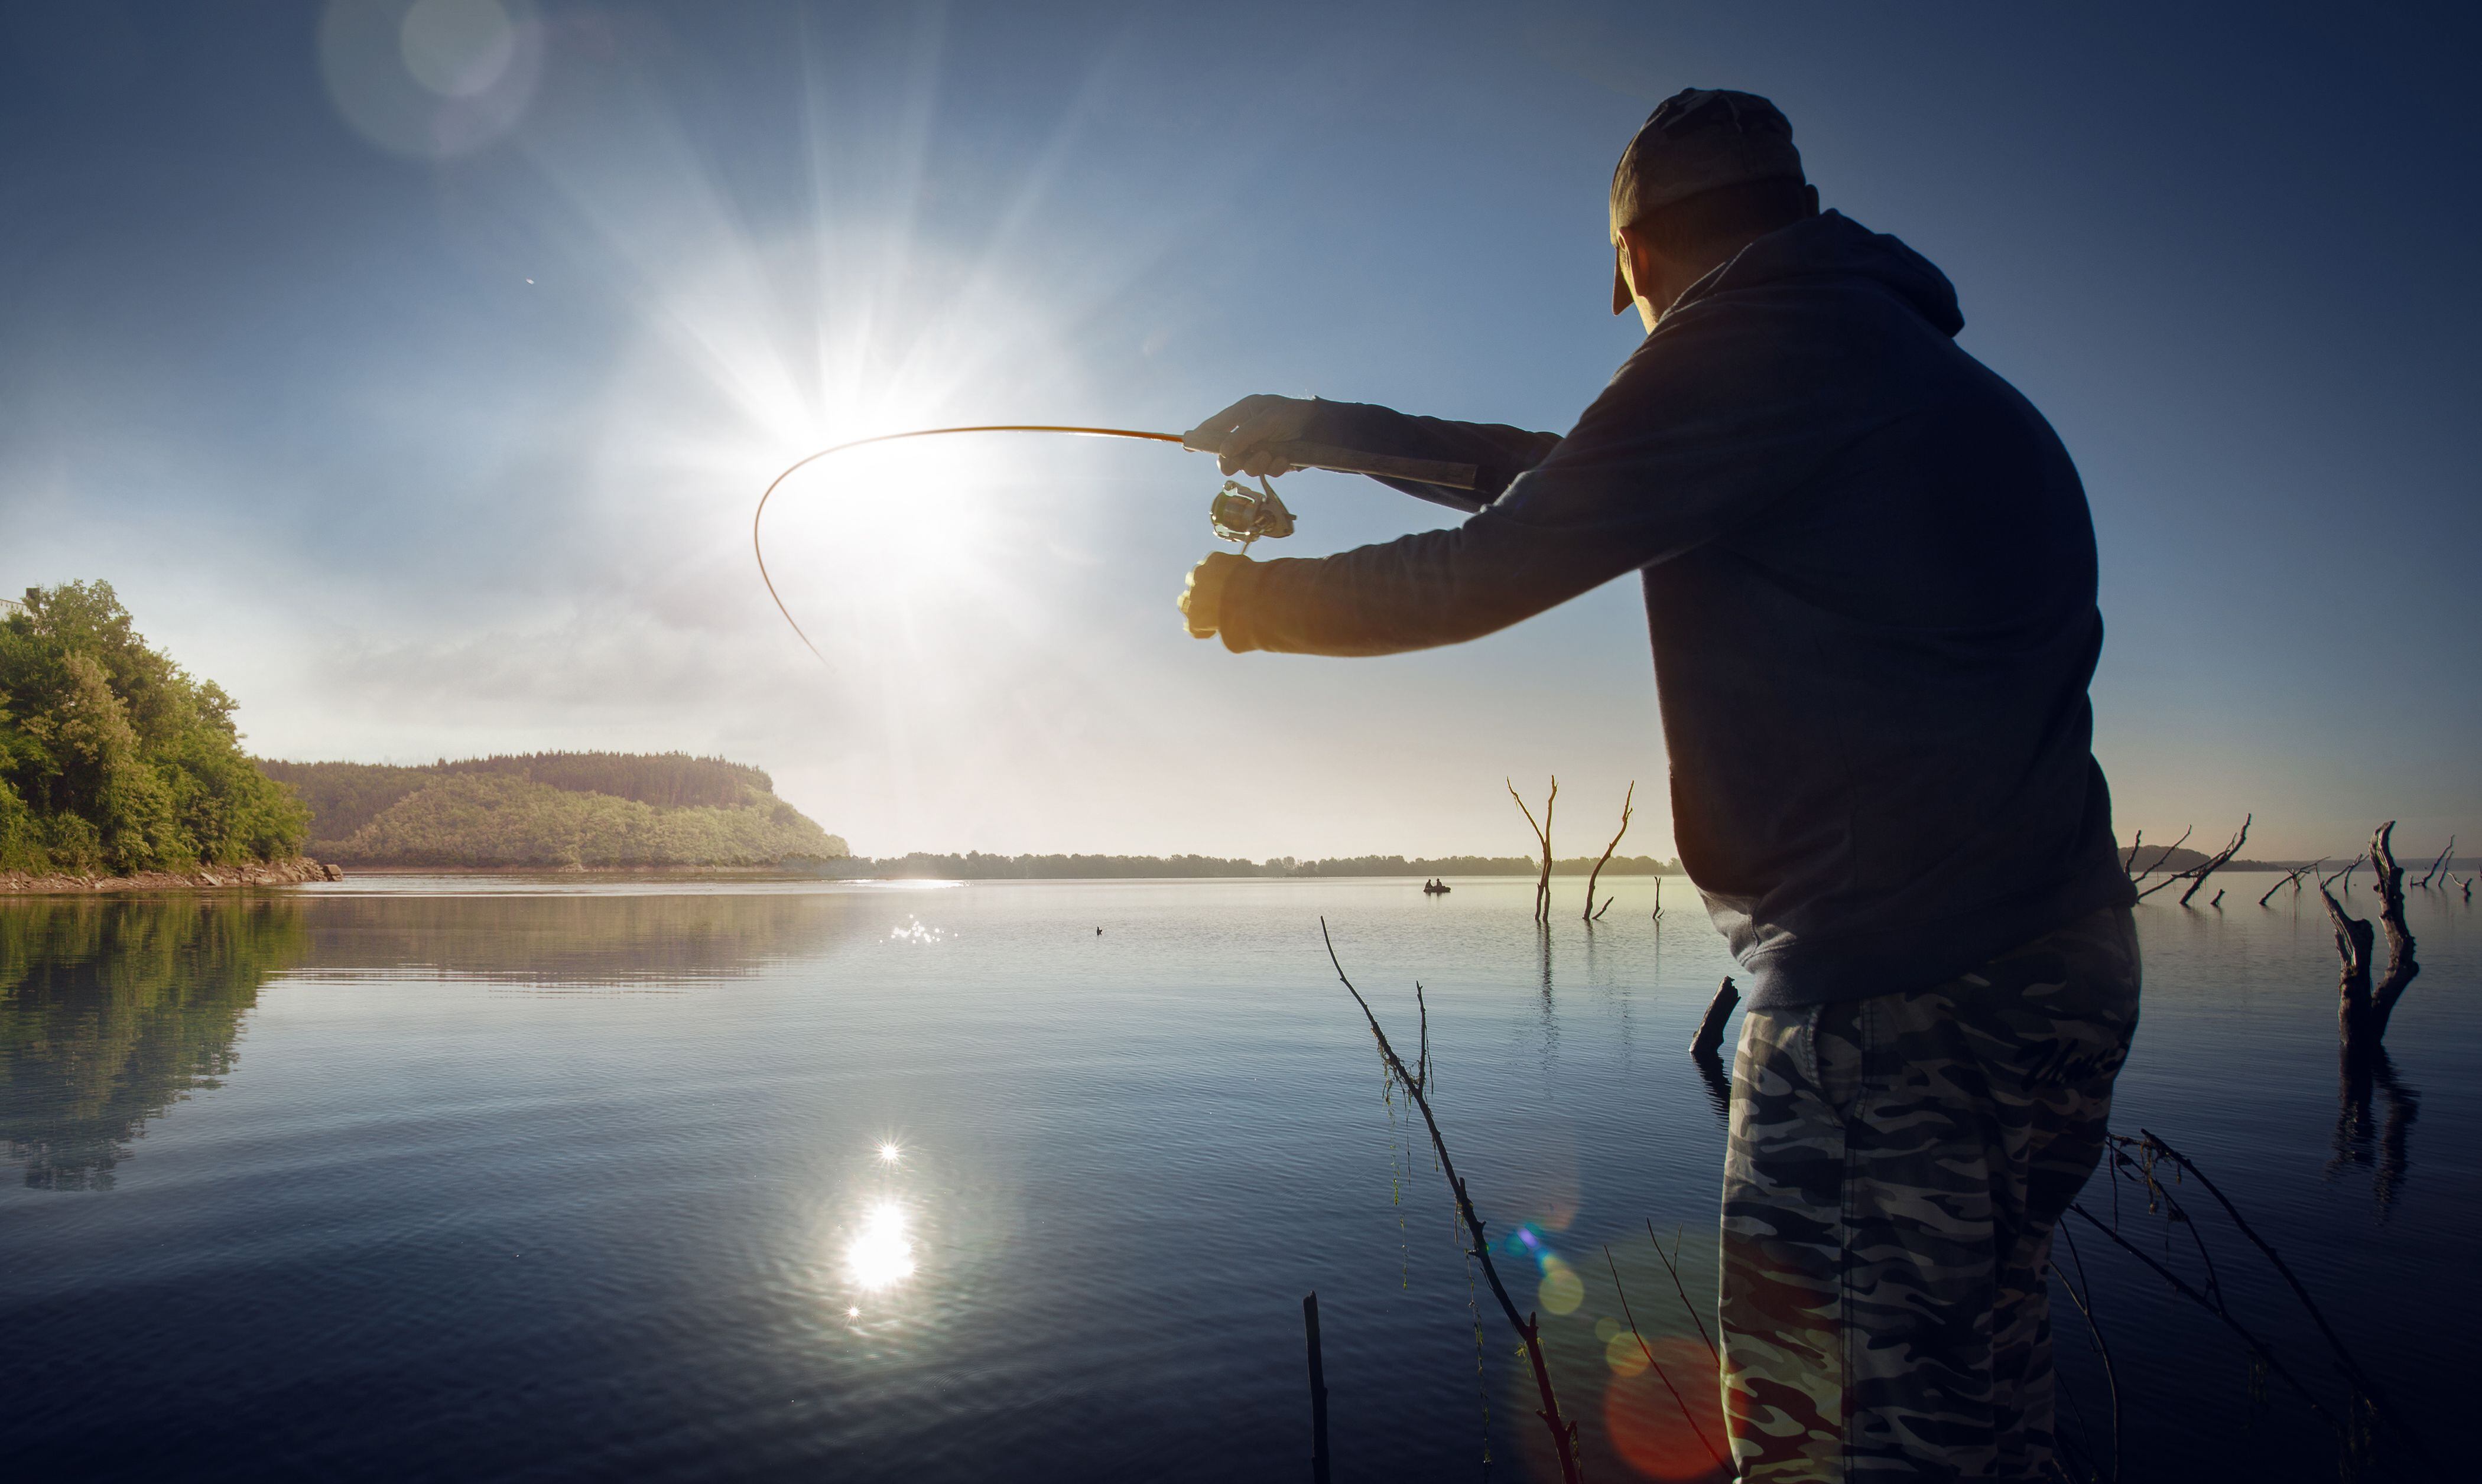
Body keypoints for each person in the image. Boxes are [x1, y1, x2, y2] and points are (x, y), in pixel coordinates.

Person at [1178, 87, 2140, 1483]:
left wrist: (1254, 605)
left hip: (1892, 995)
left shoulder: (1752, 344)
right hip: (2052, 976)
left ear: (1631, 258)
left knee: (1839, 1447)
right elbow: (1584, 473)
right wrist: (1324, 427)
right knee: (1975, 1406)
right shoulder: (1886, 363)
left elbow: (1502, 555)